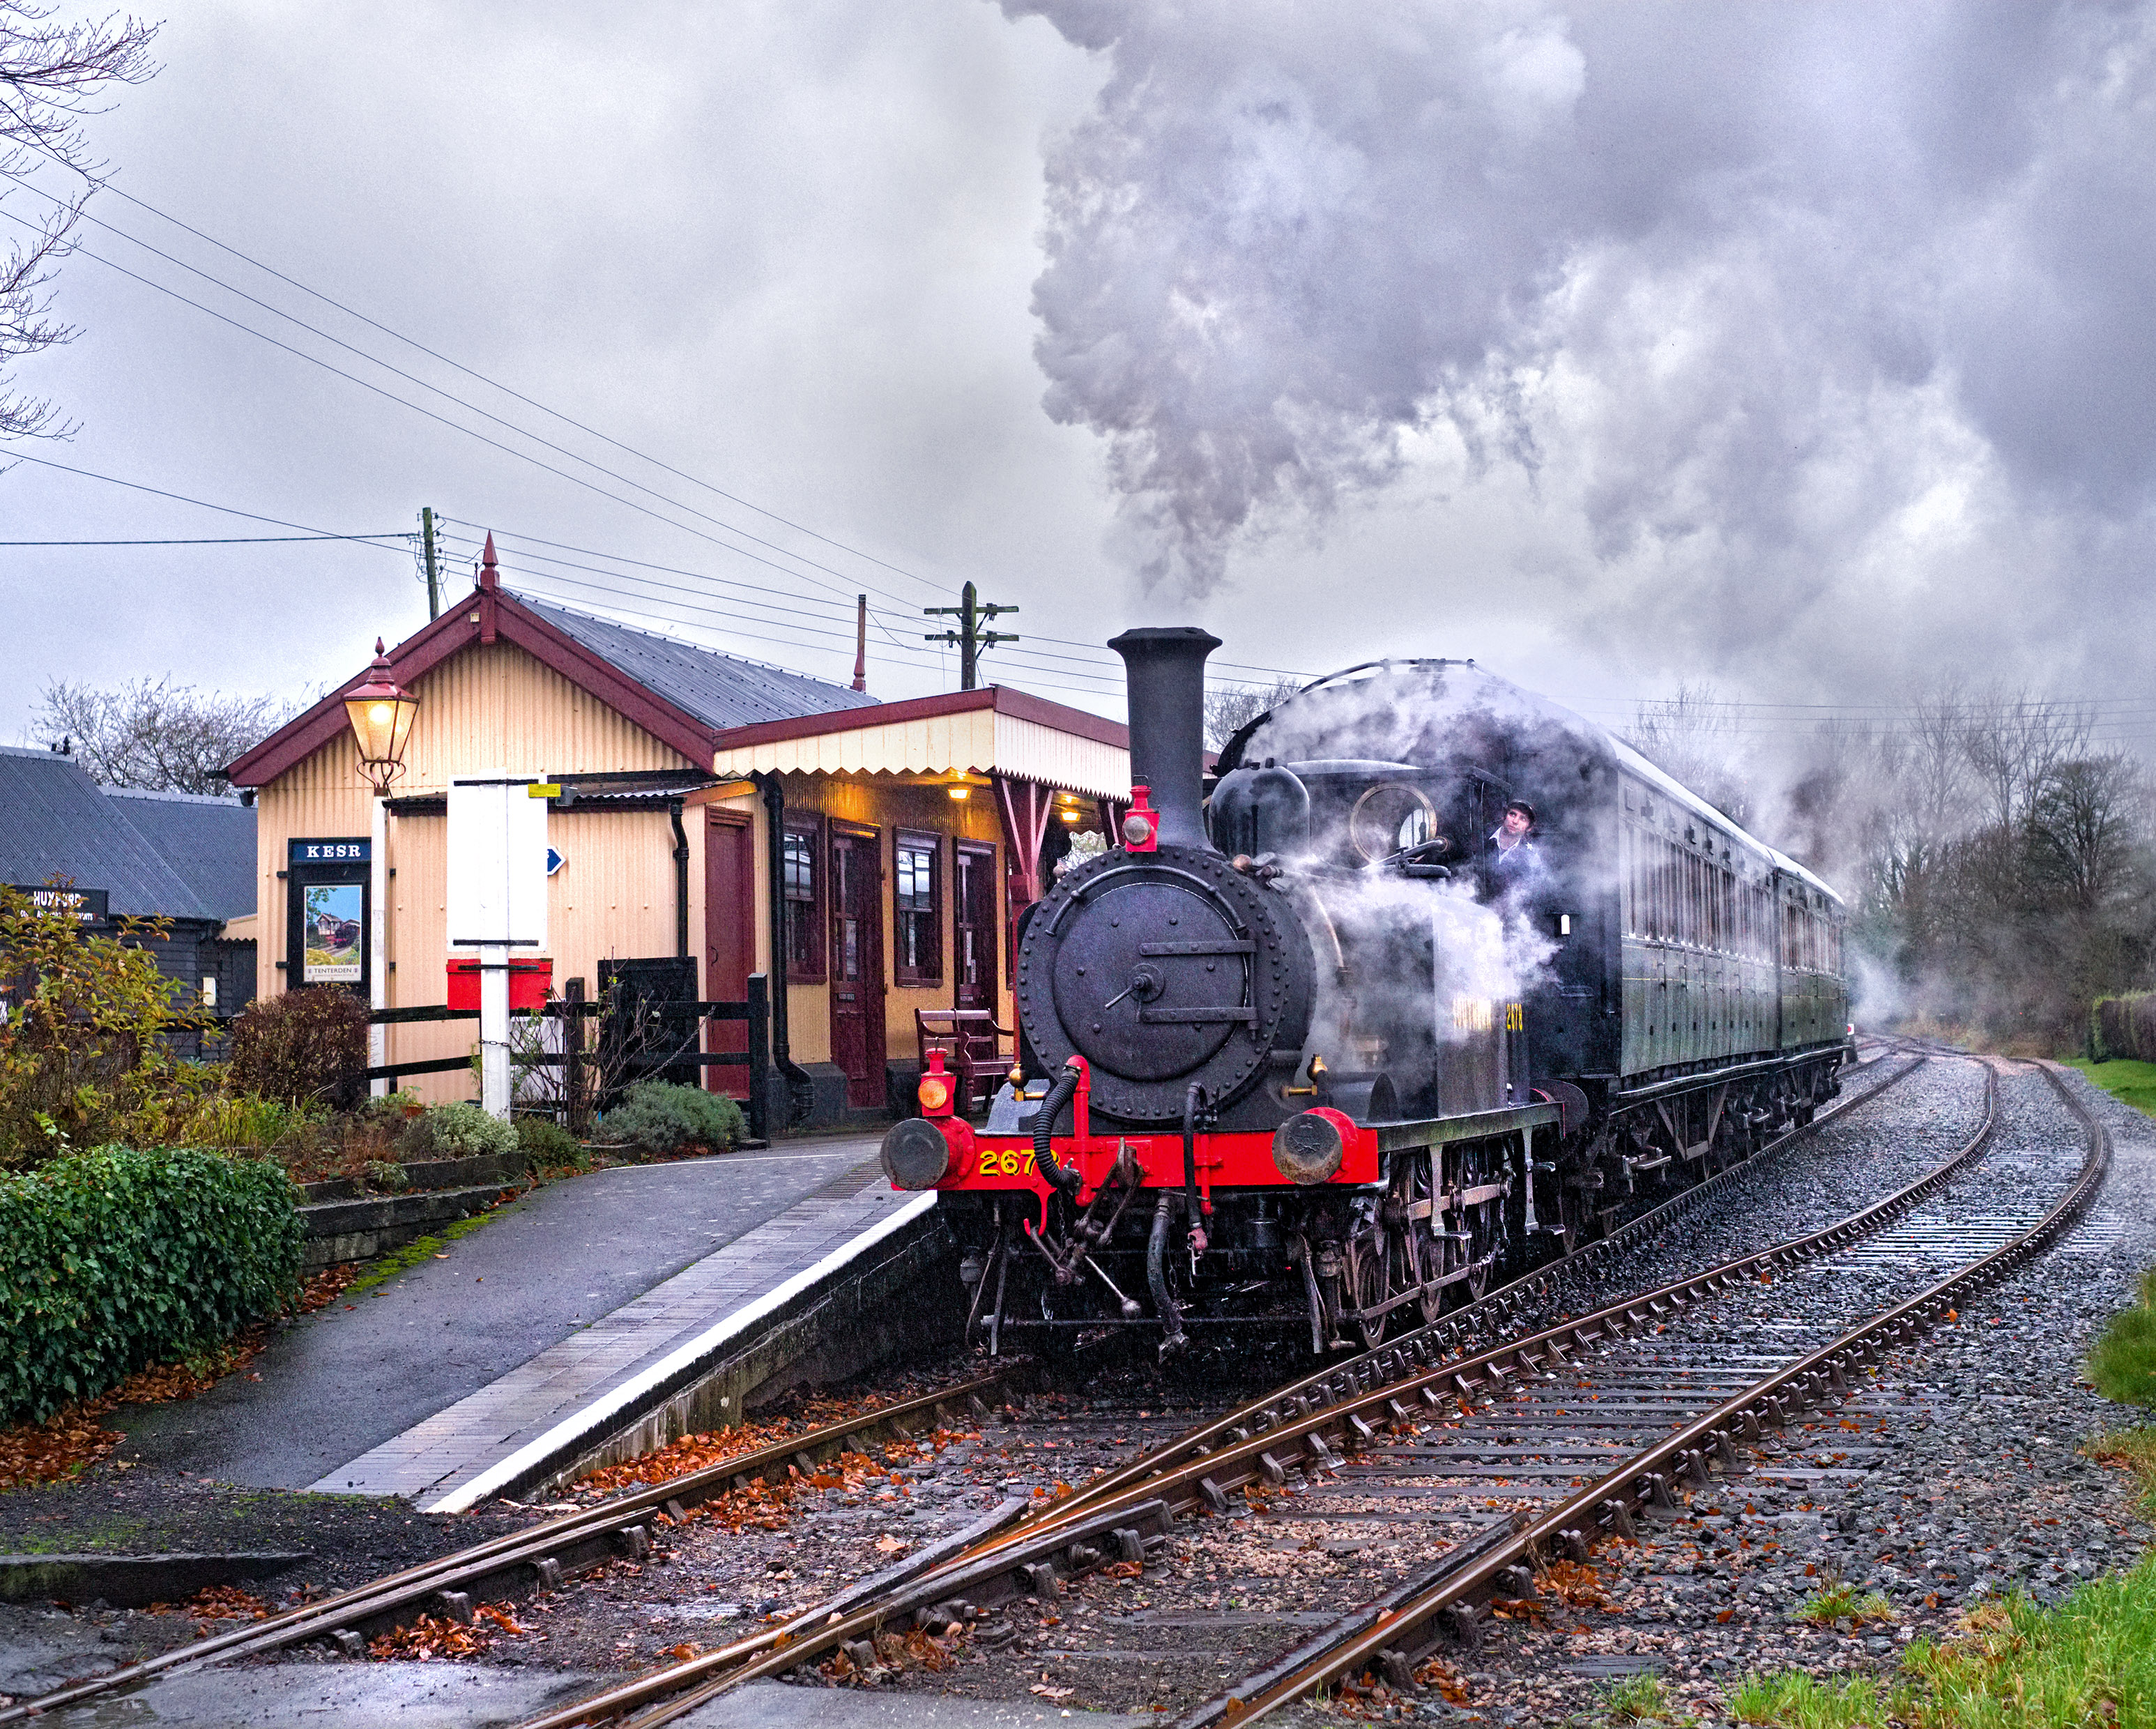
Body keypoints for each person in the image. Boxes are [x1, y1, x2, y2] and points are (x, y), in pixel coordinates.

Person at [1488, 799, 1541, 887]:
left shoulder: (1530, 857)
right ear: (1504, 816)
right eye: (1512, 814)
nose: (1515, 821)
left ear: (1529, 827)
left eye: (1523, 819)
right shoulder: (1481, 835)